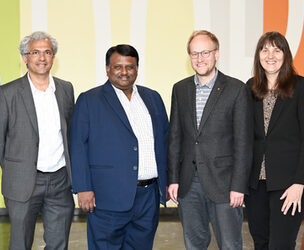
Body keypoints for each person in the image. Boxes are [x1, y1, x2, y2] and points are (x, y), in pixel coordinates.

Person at [70, 44, 169, 250]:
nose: (124, 72)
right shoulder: (89, 100)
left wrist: (166, 183)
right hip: (107, 197)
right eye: (118, 67)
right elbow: (78, 146)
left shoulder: (153, 98)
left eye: (130, 67)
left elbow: (164, 141)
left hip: (148, 197)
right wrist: (83, 188)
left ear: (137, 69)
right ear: (107, 69)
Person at [167, 30, 253, 250]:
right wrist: (173, 179)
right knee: (194, 244)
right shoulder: (180, 89)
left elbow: (243, 143)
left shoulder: (236, 89)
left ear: (217, 54)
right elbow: (175, 137)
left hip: (225, 185)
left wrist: (238, 186)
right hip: (188, 184)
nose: (200, 58)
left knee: (230, 244)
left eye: (205, 52)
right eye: (194, 53)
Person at [0, 31, 74, 250]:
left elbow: (69, 132)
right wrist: (16, 168)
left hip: (60, 181)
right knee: (20, 243)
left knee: (58, 243)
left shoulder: (65, 89)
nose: (42, 57)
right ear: (25, 57)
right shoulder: (7, 93)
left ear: (54, 57)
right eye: (35, 52)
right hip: (23, 182)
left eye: (47, 52)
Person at [244, 31, 304, 250]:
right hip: (255, 184)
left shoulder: (301, 87)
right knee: (261, 242)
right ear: (258, 55)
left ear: (285, 55)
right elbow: (244, 137)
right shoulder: (250, 87)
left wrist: (300, 182)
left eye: (277, 50)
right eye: (265, 49)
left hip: (288, 185)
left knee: (281, 244)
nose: (271, 55)